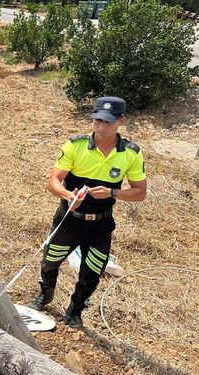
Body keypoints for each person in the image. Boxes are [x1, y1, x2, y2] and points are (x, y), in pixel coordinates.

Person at [27, 96, 147, 327]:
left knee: (92, 272)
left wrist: (113, 193)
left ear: (121, 121)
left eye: (108, 122)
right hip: (69, 219)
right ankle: (45, 294)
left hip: (100, 225)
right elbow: (54, 180)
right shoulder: (75, 145)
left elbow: (140, 192)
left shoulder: (131, 153)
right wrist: (68, 195)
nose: (101, 126)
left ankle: (75, 311)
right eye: (98, 120)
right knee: (51, 260)